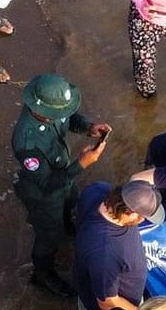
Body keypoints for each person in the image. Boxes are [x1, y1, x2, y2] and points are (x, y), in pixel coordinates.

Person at [12, 73, 111, 297]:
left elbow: (69, 117)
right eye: (56, 113)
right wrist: (82, 164)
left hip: (64, 176)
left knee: (71, 203)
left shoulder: (53, 109)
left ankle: (67, 226)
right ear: (42, 111)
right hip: (43, 192)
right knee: (48, 236)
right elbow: (46, 183)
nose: (61, 115)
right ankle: (42, 274)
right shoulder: (26, 141)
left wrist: (89, 127)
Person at [73, 179, 159, 310]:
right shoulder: (105, 252)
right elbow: (107, 301)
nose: (141, 221)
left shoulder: (98, 189)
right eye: (141, 217)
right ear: (129, 210)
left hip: (93, 277)